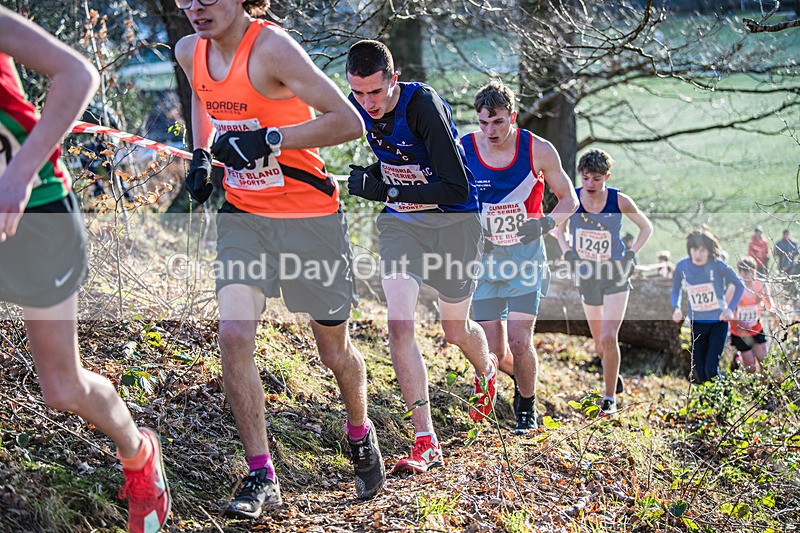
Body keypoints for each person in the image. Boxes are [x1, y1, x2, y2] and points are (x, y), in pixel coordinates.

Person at [174, 0, 385, 517]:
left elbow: (348, 121)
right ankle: (261, 475)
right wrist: (202, 153)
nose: (195, 7)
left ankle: (359, 431)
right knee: (234, 335)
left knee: (334, 352)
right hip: (244, 217)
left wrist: (268, 140)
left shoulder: (272, 49)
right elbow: (204, 99)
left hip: (309, 218)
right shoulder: (188, 51)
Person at [0, 7, 170, 532]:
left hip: (36, 211)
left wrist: (20, 174)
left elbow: (79, 74)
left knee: (61, 388)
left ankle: (139, 454)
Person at [345, 40, 497, 473]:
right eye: (358, 93)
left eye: (375, 92)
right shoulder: (358, 105)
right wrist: (374, 178)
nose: (367, 103)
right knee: (399, 324)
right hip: (402, 226)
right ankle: (425, 440)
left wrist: (388, 188)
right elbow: (400, 160)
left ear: (393, 80)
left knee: (454, 329)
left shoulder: (422, 105)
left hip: (454, 223)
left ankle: (485, 369)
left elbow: (456, 187)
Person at [461, 80, 578, 434]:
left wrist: (542, 225)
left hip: (525, 256)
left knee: (519, 339)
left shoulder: (537, 150)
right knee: (492, 346)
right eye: (483, 122)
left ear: (512, 116)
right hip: (484, 260)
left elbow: (569, 199)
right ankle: (495, 386)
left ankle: (525, 407)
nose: (490, 130)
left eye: (497, 121)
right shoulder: (464, 148)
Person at [554, 149, 653, 415]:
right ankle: (613, 372)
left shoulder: (619, 200)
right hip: (588, 277)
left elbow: (646, 227)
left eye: (596, 179)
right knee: (599, 344)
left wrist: (631, 255)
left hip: (615, 274)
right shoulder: (572, 199)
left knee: (610, 337)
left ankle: (609, 400)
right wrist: (568, 253)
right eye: (586, 178)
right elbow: (557, 229)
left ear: (607, 176)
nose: (590, 184)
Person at [671, 229, 745, 384]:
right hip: (697, 324)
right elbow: (676, 288)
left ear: (709, 251)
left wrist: (730, 308)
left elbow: (739, 285)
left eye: (702, 250)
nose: (698, 254)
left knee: (710, 369)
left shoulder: (718, 265)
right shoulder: (682, 266)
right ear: (689, 250)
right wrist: (676, 307)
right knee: (700, 370)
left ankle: (721, 400)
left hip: (718, 322)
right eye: (694, 250)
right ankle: (713, 400)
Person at [726, 256, 774, 374]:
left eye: (751, 271)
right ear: (740, 273)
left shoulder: (761, 285)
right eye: (744, 272)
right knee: (751, 368)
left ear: (755, 270)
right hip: (739, 332)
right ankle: (737, 362)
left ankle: (763, 390)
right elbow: (726, 312)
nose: (748, 275)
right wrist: (739, 321)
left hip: (756, 328)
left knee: (765, 364)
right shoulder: (734, 288)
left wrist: (773, 311)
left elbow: (769, 304)